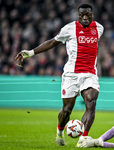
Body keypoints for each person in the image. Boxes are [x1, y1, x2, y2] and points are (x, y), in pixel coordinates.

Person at [15, 3, 104, 146]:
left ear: (92, 14)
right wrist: (31, 52)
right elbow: (52, 42)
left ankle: (84, 138)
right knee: (67, 111)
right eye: (82, 15)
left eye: (88, 14)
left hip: (89, 74)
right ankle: (60, 131)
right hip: (71, 75)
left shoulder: (99, 28)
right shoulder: (69, 28)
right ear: (78, 15)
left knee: (91, 103)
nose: (85, 17)